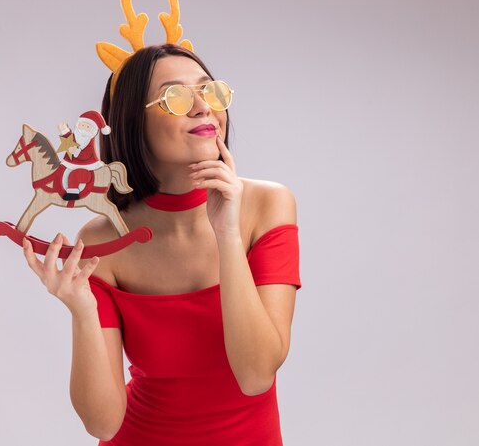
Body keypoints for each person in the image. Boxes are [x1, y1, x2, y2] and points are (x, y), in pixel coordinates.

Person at [21, 43, 302, 445]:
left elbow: (256, 375)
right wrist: (82, 310)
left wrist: (227, 233)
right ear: (134, 123)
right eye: (175, 97)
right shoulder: (104, 239)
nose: (203, 108)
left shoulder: (268, 206)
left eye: (210, 91)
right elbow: (103, 424)